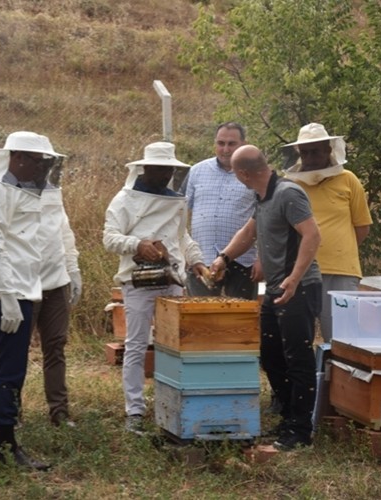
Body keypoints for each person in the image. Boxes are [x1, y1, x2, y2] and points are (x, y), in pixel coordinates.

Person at [210, 145, 322, 451]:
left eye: (236, 174)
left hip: (297, 288)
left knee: (298, 359)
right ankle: (287, 417)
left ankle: (300, 432)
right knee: (271, 355)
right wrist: (223, 258)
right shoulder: (262, 197)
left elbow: (312, 235)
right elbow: (248, 234)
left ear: (244, 173)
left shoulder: (288, 193)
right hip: (275, 290)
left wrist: (294, 278)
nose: (236, 179)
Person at [0, 131, 62, 470]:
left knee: (6, 368)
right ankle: (4, 445)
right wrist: (7, 296)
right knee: (10, 370)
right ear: (18, 158)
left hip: (18, 288)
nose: (41, 170)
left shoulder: (12, 187)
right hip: (3, 292)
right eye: (38, 162)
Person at [103, 141, 205, 436]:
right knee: (135, 345)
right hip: (138, 281)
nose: (164, 175)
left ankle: (169, 403)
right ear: (145, 167)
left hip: (172, 280)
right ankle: (134, 410)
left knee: (172, 344)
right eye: (159, 169)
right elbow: (109, 238)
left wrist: (196, 260)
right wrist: (138, 244)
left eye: (168, 170)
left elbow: (180, 236)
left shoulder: (174, 199)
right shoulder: (124, 199)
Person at [282, 123, 372, 342]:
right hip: (298, 270)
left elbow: (362, 226)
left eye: (316, 151)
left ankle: (336, 377)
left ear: (329, 150)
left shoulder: (348, 179)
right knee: (299, 338)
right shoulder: (288, 184)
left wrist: (338, 249)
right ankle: (308, 377)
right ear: (298, 153)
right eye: (305, 152)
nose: (310, 157)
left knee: (342, 340)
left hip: (341, 271)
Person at [180, 122, 261, 299]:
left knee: (241, 319)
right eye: (221, 143)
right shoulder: (196, 171)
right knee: (201, 319)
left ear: (243, 144)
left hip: (243, 260)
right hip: (201, 260)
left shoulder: (255, 175)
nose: (225, 149)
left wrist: (261, 259)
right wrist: (185, 252)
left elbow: (266, 218)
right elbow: (179, 215)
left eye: (232, 144)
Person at [30, 158, 81, 427]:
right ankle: (9, 413)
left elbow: (64, 232)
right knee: (15, 353)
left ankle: (59, 411)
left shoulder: (52, 192)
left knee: (56, 347)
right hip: (24, 283)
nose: (41, 168)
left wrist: (73, 270)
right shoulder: (6, 190)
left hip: (56, 281)